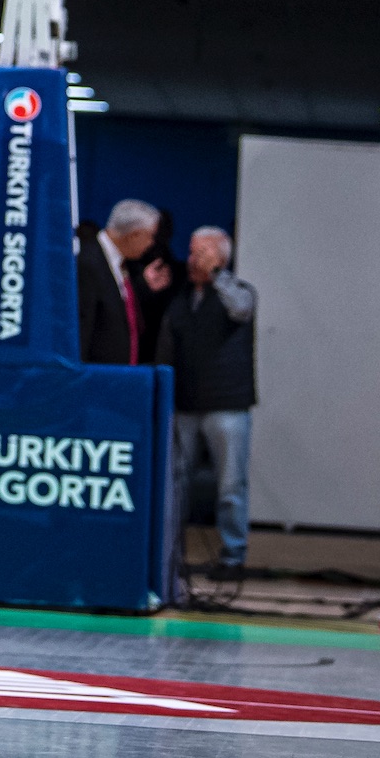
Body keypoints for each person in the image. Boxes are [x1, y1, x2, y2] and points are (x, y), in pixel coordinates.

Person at [156, 226, 258, 593]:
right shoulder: (181, 296)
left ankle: (233, 556)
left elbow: (241, 309)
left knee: (230, 485)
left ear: (220, 257)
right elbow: (164, 344)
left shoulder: (239, 291)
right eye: (191, 251)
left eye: (201, 252)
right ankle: (169, 554)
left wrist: (217, 274)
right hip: (185, 404)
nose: (192, 259)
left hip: (227, 405)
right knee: (174, 484)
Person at [77, 199, 159, 365]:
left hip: (119, 373)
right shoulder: (88, 262)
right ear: (134, 235)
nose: (151, 243)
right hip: (96, 374)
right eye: (150, 236)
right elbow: (82, 326)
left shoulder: (121, 263)